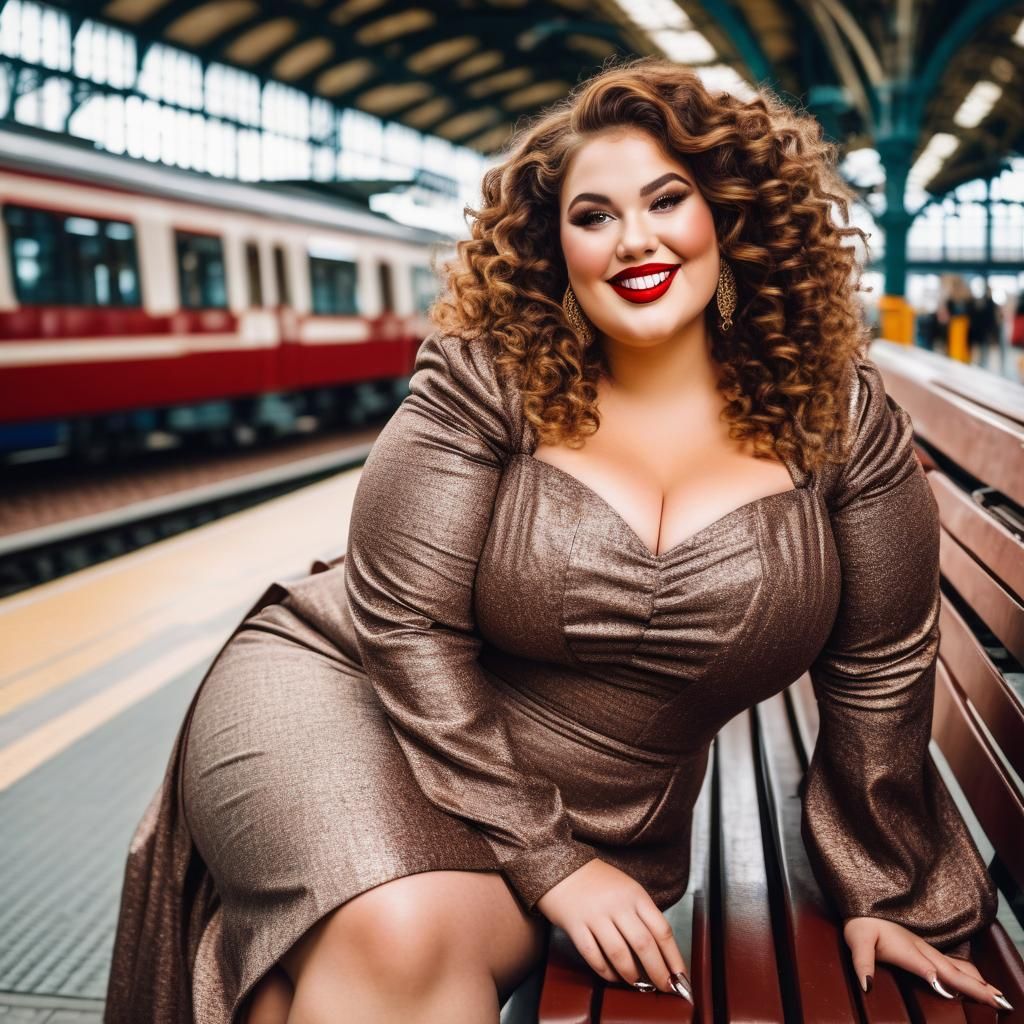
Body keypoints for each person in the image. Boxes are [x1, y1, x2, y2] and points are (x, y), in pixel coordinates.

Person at [103, 56, 1009, 1024]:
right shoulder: (483, 379)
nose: (634, 239)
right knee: (395, 934)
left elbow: (879, 663)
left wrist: (889, 890)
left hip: (601, 803)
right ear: (555, 247)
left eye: (667, 200)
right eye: (593, 215)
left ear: (731, 217)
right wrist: (550, 863)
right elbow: (406, 627)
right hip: (349, 699)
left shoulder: (840, 419)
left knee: (354, 966)